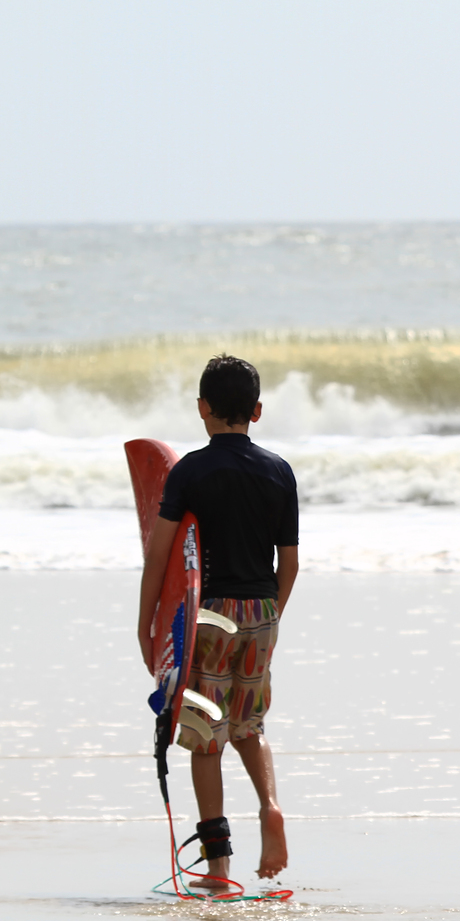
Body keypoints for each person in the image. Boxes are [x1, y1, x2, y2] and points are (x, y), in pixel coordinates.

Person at [136, 355, 299, 889]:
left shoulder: (190, 472)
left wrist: (148, 627)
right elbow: (289, 562)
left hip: (208, 616)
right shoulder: (279, 471)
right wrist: (269, 614)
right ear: (256, 410)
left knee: (206, 738)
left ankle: (219, 866)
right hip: (261, 610)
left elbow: (160, 558)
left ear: (203, 409)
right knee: (249, 725)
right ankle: (270, 807)